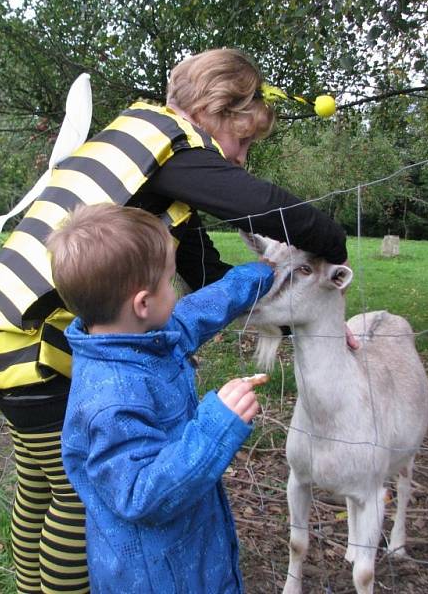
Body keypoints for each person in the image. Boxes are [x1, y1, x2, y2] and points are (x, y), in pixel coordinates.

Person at [0, 48, 348, 594]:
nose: (240, 160)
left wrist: (286, 308)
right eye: (244, 141)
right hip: (30, 348)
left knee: (41, 486)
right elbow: (268, 208)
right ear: (216, 112)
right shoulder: (174, 146)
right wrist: (332, 244)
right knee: (76, 501)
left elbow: (203, 268)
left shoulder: (143, 157)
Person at [46, 203, 273, 593]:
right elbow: (141, 494)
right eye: (170, 282)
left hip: (190, 557)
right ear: (143, 304)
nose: (176, 290)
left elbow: (199, 310)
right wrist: (216, 426)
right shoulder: (110, 400)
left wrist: (262, 275)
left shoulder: (142, 338)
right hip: (157, 578)